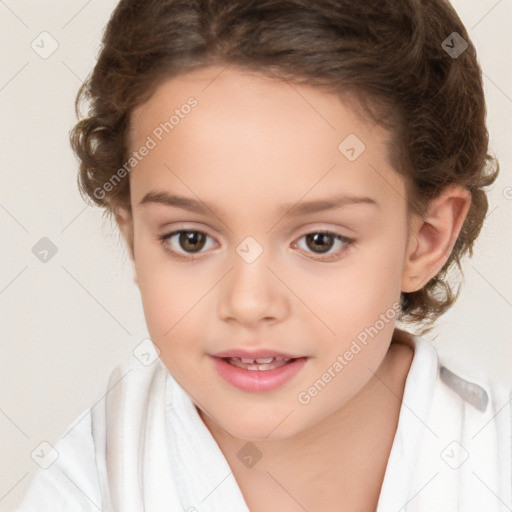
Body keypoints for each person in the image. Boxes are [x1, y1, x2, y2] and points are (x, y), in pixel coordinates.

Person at [15, 0, 511, 510]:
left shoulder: (495, 461)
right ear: (134, 236)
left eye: (320, 241)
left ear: (425, 238)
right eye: (191, 239)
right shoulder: (92, 480)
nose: (249, 303)